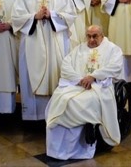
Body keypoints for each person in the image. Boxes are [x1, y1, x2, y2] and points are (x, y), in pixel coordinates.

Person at [45, 25, 123, 160]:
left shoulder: (112, 49)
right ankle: (58, 149)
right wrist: (79, 79)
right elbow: (66, 64)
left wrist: (94, 76)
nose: (91, 40)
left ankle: (81, 147)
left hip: (99, 87)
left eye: (95, 36)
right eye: (89, 36)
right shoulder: (79, 48)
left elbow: (115, 67)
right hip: (77, 85)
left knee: (77, 101)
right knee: (60, 98)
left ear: (102, 35)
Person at [12, 0, 77, 120]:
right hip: (32, 42)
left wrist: (52, 15)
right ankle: (35, 115)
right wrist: (35, 16)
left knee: (57, 73)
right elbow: (16, 18)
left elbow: (71, 16)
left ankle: (56, 114)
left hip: (56, 41)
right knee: (31, 73)